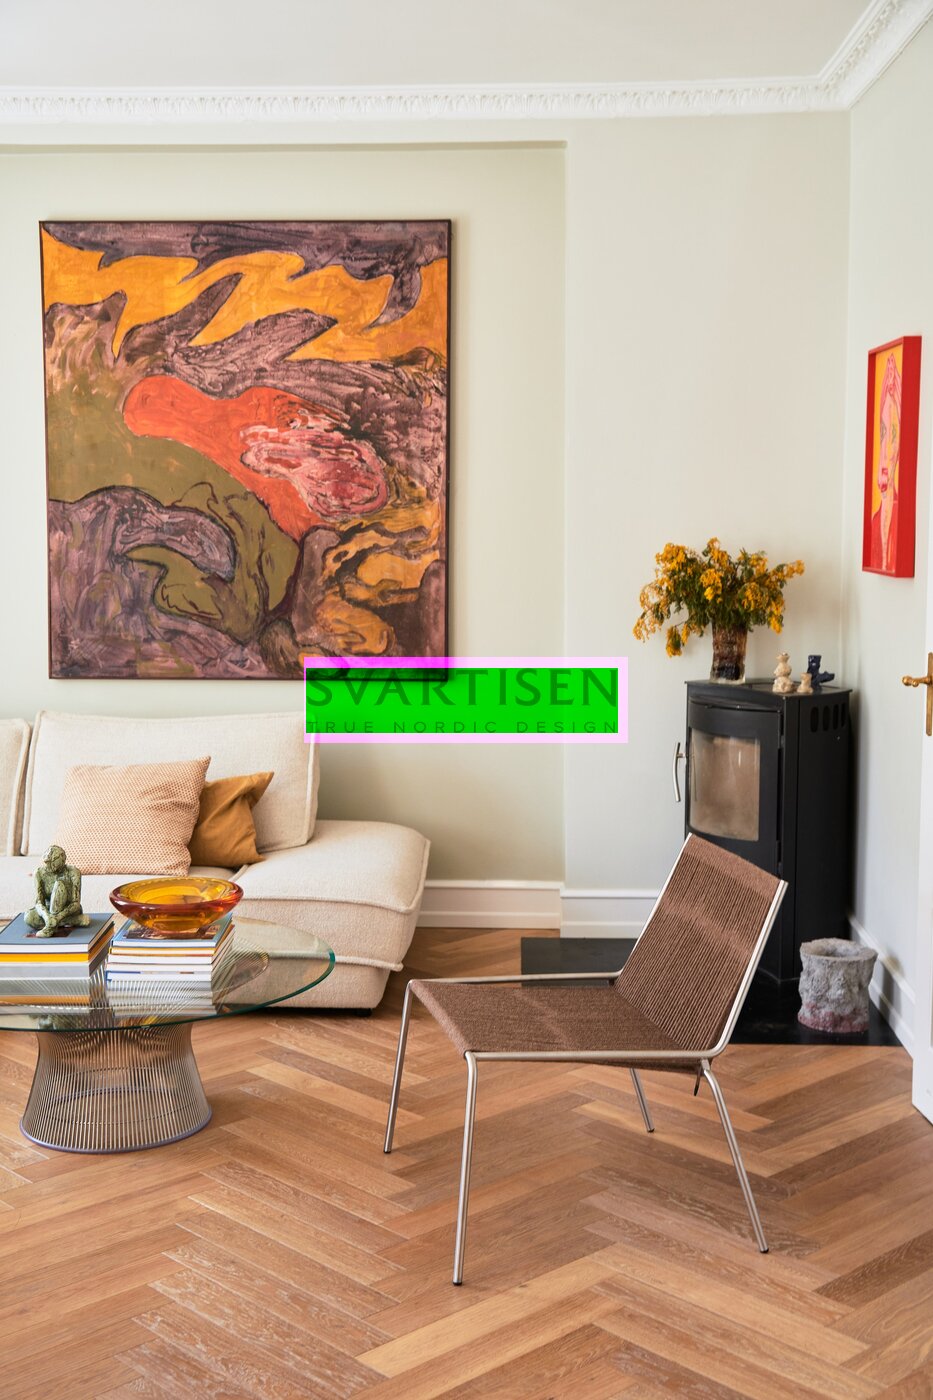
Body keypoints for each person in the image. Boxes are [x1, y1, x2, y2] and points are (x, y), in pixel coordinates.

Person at [869, 352, 901, 573]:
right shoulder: (874, 522)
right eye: (883, 433)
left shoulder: (900, 520)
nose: (886, 452)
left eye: (893, 435)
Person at [24, 845, 90, 936]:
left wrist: (58, 917)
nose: (51, 866)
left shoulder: (73, 872)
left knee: (59, 885)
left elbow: (76, 903)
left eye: (54, 863)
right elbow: (39, 902)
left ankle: (49, 928)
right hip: (48, 911)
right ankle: (75, 920)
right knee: (29, 917)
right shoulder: (39, 873)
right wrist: (47, 917)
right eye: (48, 863)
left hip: (69, 910)